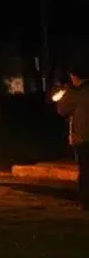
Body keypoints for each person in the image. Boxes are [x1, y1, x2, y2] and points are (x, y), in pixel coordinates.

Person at [54, 70, 89, 210]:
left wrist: (64, 94)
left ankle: (85, 201)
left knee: (86, 170)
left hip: (84, 137)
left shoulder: (77, 93)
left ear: (75, 77)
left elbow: (63, 109)